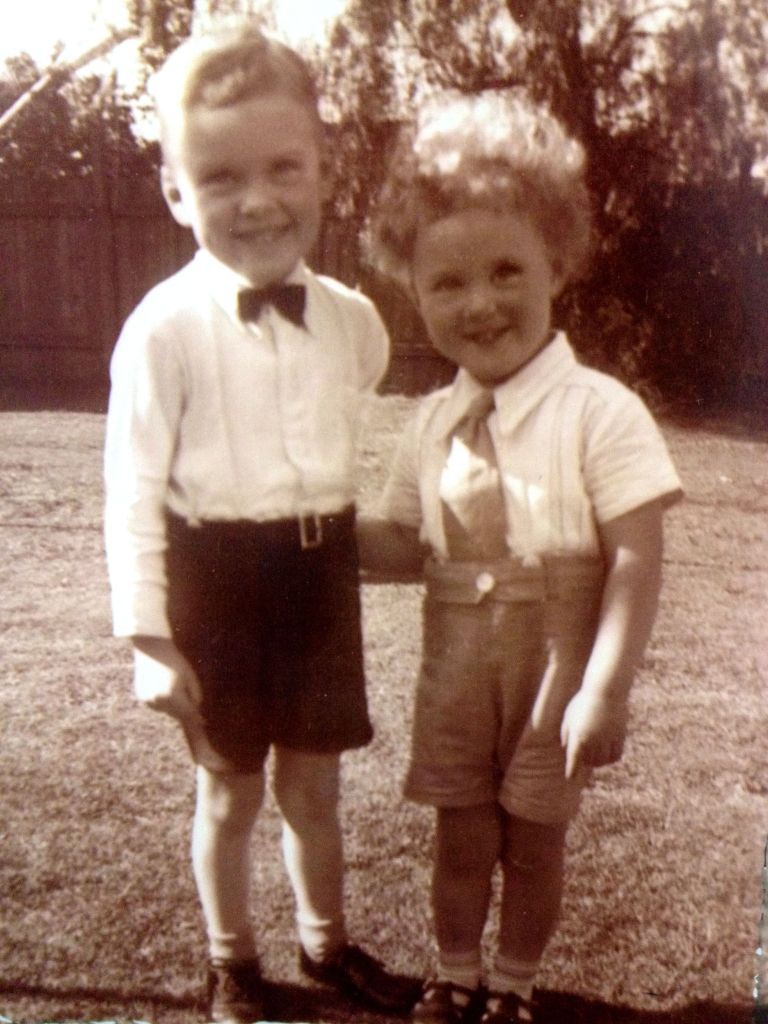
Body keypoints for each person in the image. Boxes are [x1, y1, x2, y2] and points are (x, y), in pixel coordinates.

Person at [103, 24, 414, 1024]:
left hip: (318, 580)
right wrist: (151, 640)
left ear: (325, 168)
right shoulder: (162, 329)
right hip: (216, 583)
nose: (258, 199)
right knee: (231, 794)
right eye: (221, 175)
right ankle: (231, 957)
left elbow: (354, 412)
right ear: (175, 191)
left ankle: (326, 944)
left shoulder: (353, 322)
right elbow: (132, 488)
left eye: (284, 166)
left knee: (316, 791)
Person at [358, 90, 684, 1024]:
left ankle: (513, 987)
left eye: (507, 270)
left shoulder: (599, 410)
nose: (481, 302)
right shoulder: (431, 422)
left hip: (556, 669)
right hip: (457, 670)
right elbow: (396, 544)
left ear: (559, 263)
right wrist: (299, 533)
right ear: (411, 290)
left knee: (534, 842)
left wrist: (604, 688)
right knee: (461, 836)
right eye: (447, 282)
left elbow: (633, 558)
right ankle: (454, 972)